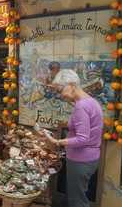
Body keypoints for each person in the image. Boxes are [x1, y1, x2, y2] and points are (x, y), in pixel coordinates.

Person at [43, 69, 103, 207]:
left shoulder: (81, 106)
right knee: (78, 195)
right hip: (89, 158)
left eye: (60, 90)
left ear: (71, 85)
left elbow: (82, 138)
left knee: (78, 201)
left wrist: (58, 142)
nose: (60, 95)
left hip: (81, 160)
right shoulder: (90, 102)